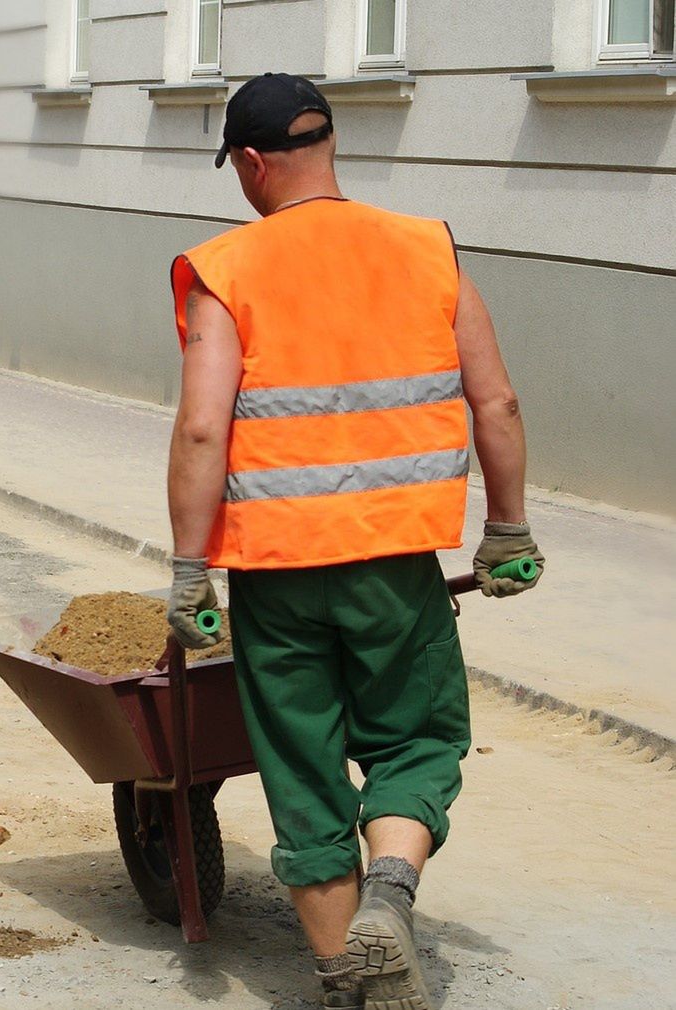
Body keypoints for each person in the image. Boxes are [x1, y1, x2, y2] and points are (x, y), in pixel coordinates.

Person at [165, 74, 544, 1010]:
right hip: (394, 565)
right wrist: (505, 529)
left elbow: (204, 430)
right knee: (415, 742)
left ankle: (352, 980)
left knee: (301, 768)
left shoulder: (226, 267)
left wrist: (187, 570)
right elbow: (492, 399)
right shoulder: (426, 248)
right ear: (329, 144)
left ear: (252, 163)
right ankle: (391, 899)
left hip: (276, 572)